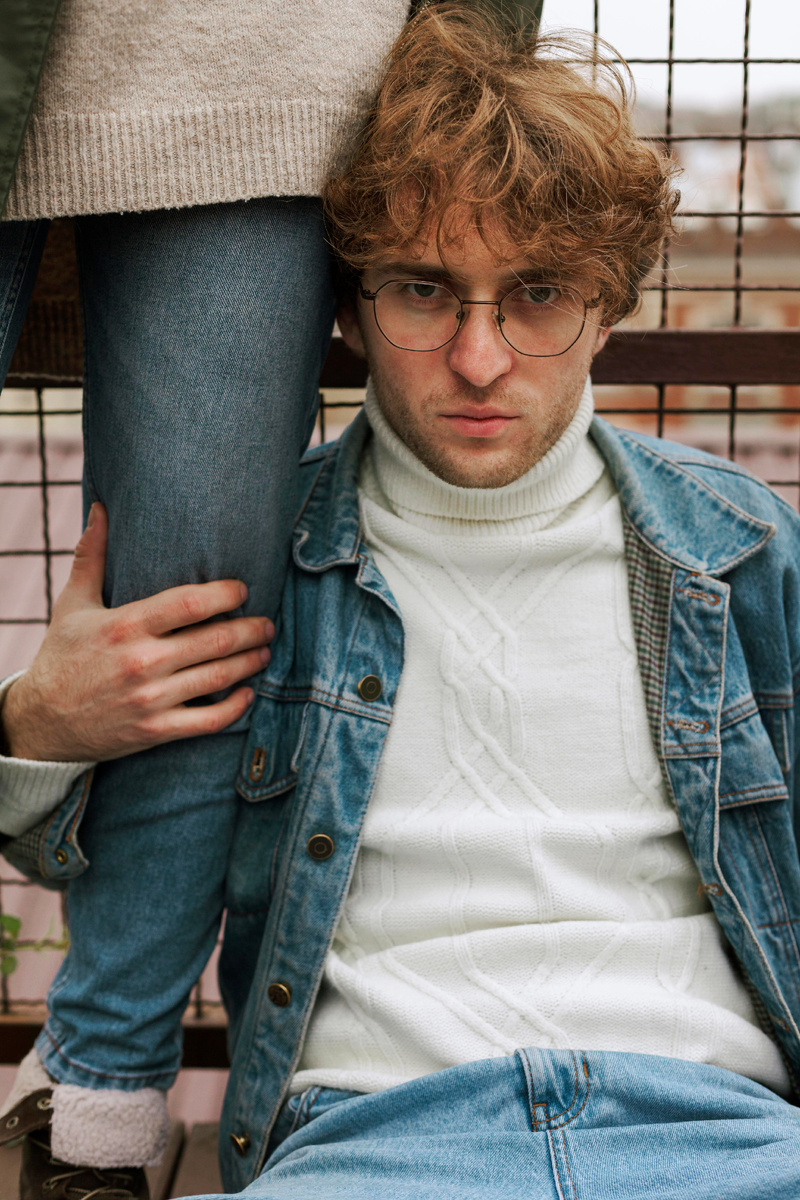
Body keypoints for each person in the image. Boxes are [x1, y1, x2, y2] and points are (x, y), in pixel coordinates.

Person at [1, 4, 800, 1197]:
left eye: (536, 296)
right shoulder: (260, 563)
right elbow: (108, 848)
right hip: (374, 1145)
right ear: (348, 306)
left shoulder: (736, 549)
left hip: (720, 1134)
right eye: (424, 292)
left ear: (608, 306)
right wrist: (32, 728)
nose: (478, 360)